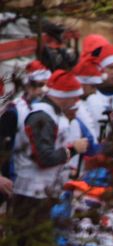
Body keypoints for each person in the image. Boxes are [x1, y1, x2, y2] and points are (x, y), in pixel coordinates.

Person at [12, 69, 89, 219]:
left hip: (43, 191)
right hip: (31, 193)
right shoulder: (42, 116)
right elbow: (44, 157)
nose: (76, 102)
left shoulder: (52, 114)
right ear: (64, 96)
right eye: (74, 97)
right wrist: (73, 149)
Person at [0, 60, 51, 180]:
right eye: (40, 85)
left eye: (47, 85)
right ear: (28, 86)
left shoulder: (49, 108)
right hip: (18, 176)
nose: (44, 90)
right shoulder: (14, 111)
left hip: (41, 176)